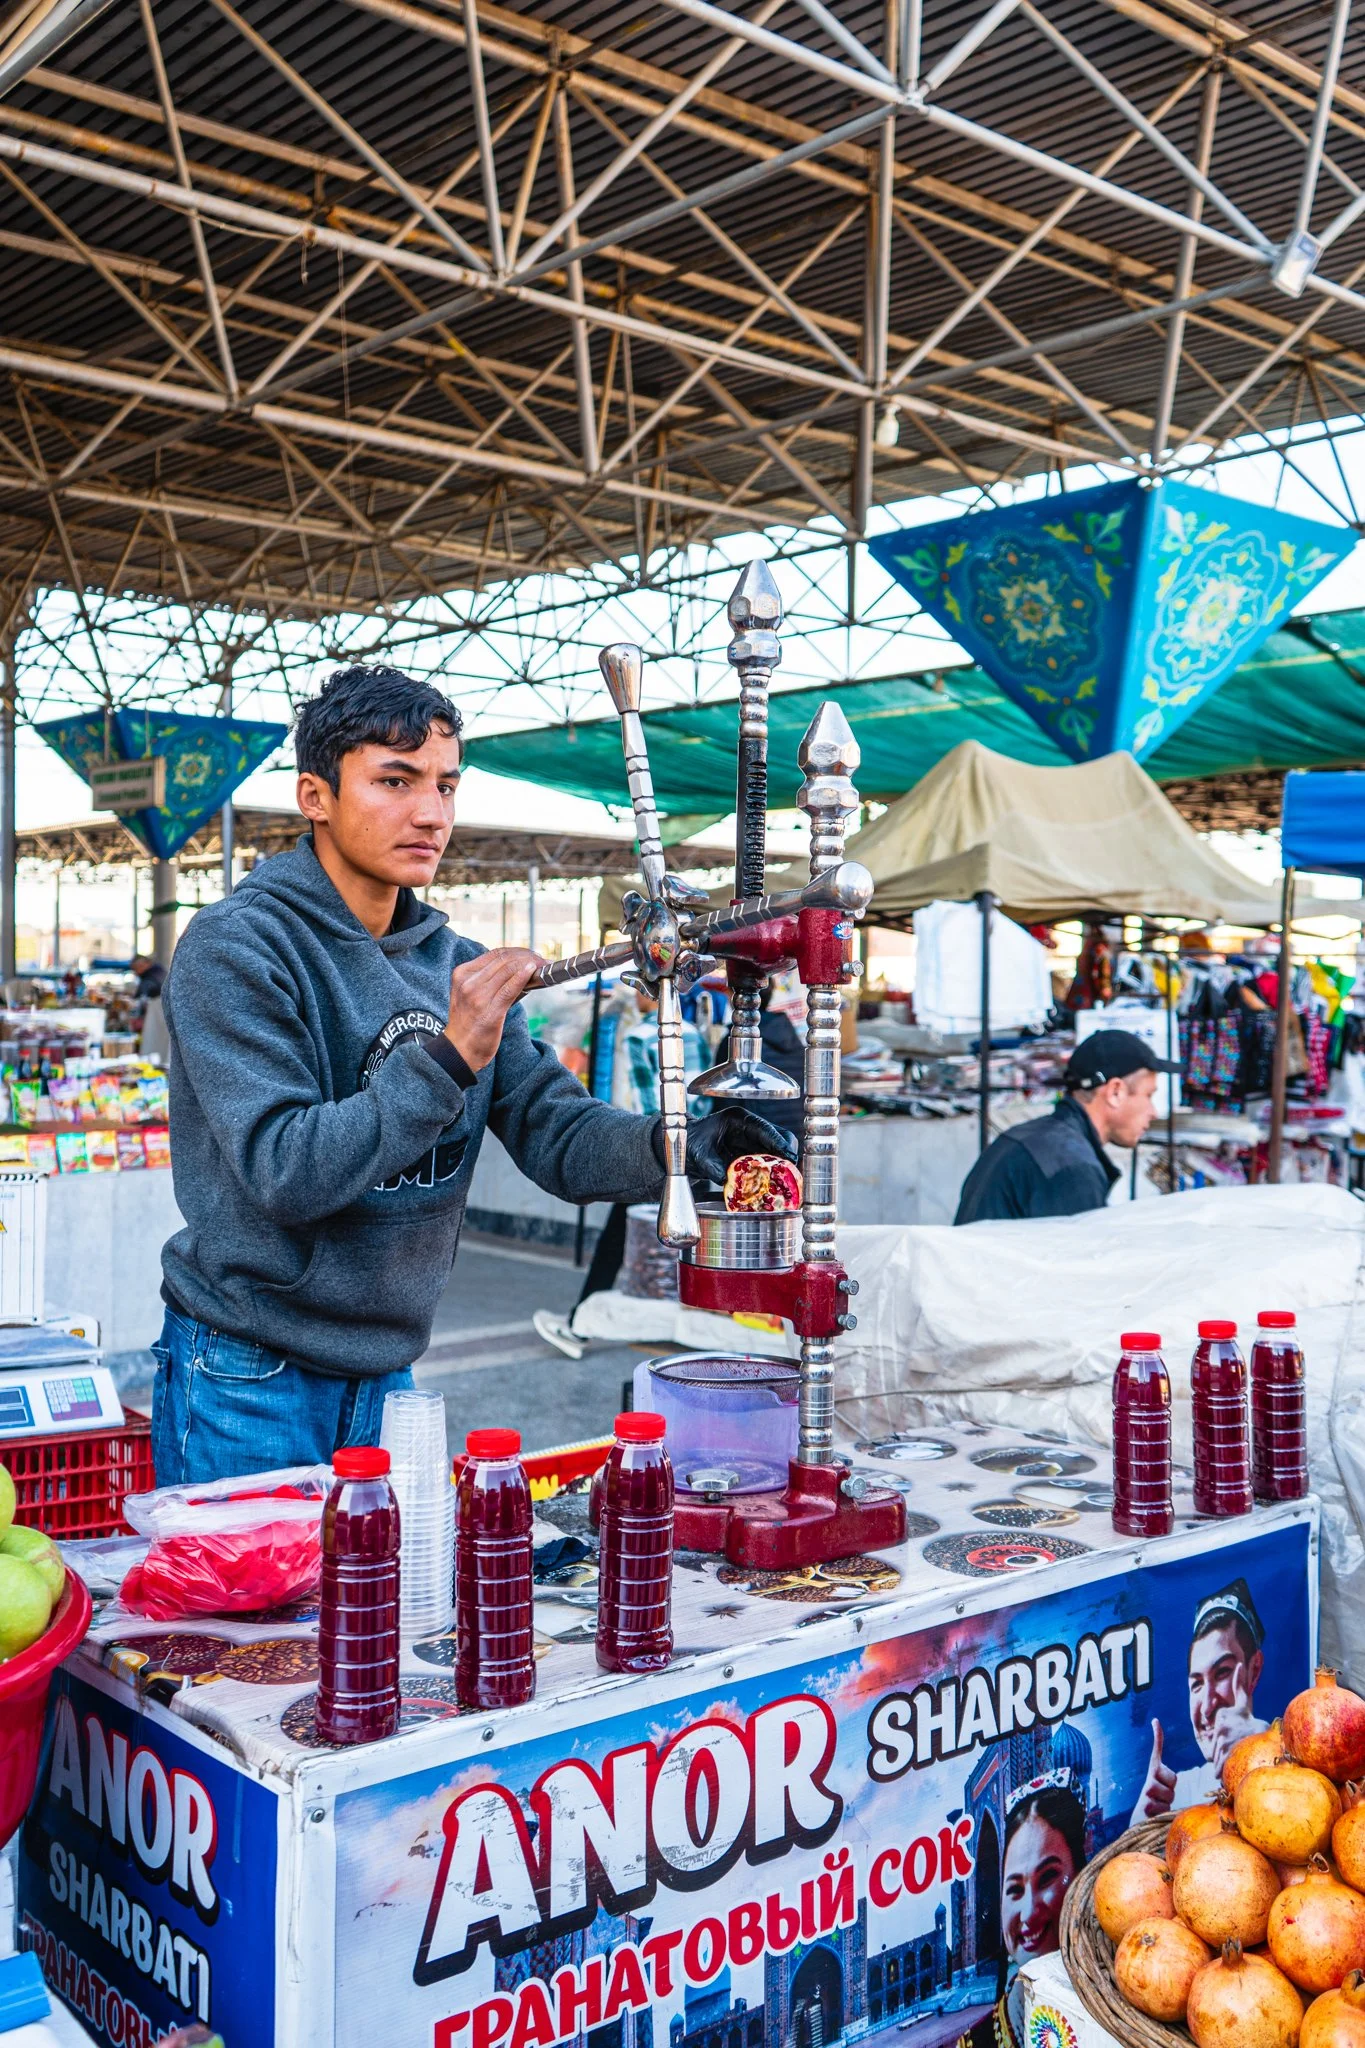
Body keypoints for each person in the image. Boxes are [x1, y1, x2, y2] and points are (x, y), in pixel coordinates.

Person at [154, 664, 794, 1484]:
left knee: (383, 1608)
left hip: (389, 1375)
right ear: (315, 795)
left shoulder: (451, 964)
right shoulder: (237, 949)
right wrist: (449, 1055)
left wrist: (684, 1144)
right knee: (252, 1616)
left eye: (446, 786)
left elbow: (556, 1136)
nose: (430, 813)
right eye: (394, 780)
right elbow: (286, 1171)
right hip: (249, 1370)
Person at [954, 1028, 1177, 1225]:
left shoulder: (1033, 1138)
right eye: (1148, 1095)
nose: (1153, 1112)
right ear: (1115, 1092)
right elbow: (1073, 1266)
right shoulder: (1072, 1167)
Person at [958, 1779, 1088, 2048]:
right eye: (1015, 1889)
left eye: (1048, 1877)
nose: (1028, 1913)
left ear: (1082, 1876)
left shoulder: (1129, 1987)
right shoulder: (976, 2043)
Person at [1131, 1578, 1267, 1823]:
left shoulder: (1292, 1755)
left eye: (1222, 1673)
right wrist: (1139, 1825)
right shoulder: (1178, 1794)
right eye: (1197, 1684)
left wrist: (1262, 1749)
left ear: (1254, 1670)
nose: (1206, 1706)